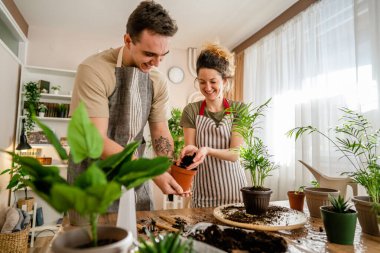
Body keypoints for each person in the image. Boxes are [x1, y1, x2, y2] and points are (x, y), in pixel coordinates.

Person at [68, 1, 188, 212]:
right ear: (127, 40)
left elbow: (160, 131)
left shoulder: (157, 81)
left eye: (163, 56)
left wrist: (166, 167)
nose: (157, 63)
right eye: (149, 54)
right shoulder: (93, 70)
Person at [179, 43, 248, 208]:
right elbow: (191, 149)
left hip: (235, 192)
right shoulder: (191, 110)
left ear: (224, 81)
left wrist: (207, 150)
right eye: (202, 82)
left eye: (213, 81)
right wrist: (184, 176)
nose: (207, 88)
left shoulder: (239, 109)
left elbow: (234, 154)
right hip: (203, 194)